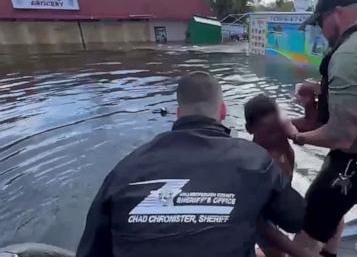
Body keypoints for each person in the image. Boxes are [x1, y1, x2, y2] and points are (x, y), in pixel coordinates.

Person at [76, 71, 306, 257]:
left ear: (178, 114)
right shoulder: (255, 160)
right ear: (223, 111)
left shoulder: (124, 171)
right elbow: (296, 219)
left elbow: (90, 251)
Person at [287, 0, 357, 256]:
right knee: (335, 208)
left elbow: (341, 135)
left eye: (319, 22)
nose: (321, 30)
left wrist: (297, 135)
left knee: (311, 221)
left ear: (336, 13)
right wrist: (319, 93)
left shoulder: (349, 53)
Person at [244, 95, 309, 257]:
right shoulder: (255, 165)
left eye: (279, 127)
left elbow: (313, 124)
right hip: (258, 216)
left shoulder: (284, 139)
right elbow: (259, 223)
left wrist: (309, 103)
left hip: (277, 203)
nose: (277, 135)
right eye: (270, 131)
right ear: (249, 129)